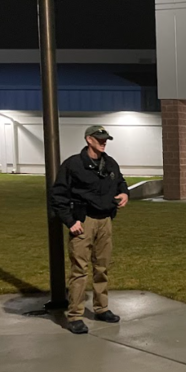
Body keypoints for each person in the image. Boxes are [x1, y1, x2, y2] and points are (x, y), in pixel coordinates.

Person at [50, 125, 129, 334]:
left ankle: (101, 308)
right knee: (79, 270)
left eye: (105, 139)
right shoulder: (73, 165)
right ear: (89, 140)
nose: (104, 142)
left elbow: (121, 183)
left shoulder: (110, 163)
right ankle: (75, 315)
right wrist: (70, 221)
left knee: (102, 268)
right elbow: (58, 196)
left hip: (105, 222)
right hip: (83, 221)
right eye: (100, 138)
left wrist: (124, 194)